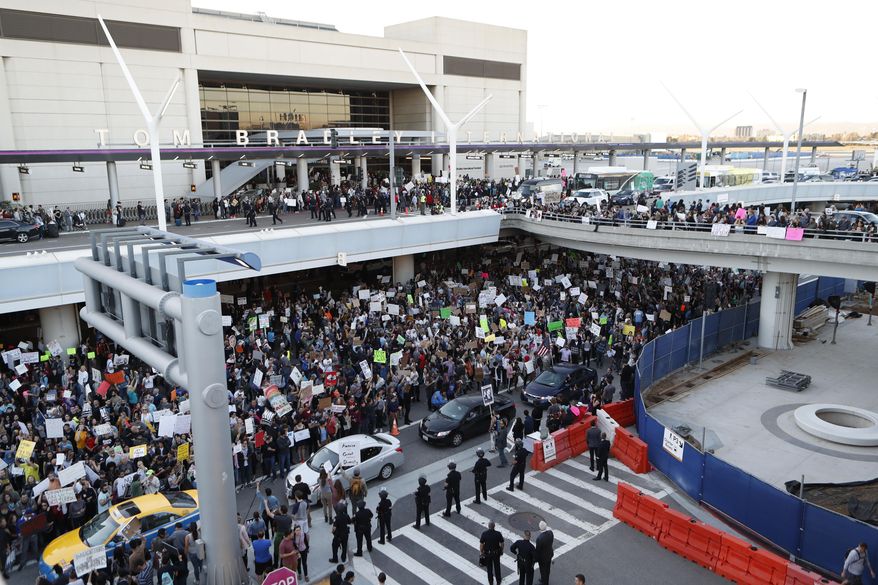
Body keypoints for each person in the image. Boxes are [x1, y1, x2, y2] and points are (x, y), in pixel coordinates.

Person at [480, 520, 504, 585]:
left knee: (489, 568)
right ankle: (498, 581)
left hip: (487, 554)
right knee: (497, 567)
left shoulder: (484, 534)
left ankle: (491, 582)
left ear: (488, 526)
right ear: (494, 526)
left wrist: (481, 552)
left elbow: (482, 544)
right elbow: (502, 543)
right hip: (496, 553)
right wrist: (501, 550)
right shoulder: (498, 534)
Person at [535, 521, 554, 585]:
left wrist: (535, 559)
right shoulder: (551, 533)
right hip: (549, 555)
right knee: (547, 570)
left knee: (543, 571)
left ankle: (544, 582)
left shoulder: (539, 538)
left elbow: (538, 550)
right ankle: (545, 581)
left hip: (542, 558)